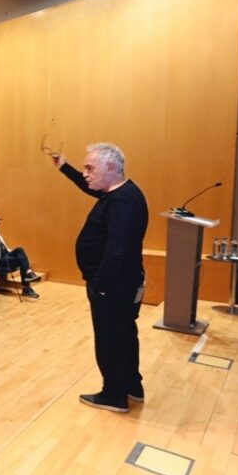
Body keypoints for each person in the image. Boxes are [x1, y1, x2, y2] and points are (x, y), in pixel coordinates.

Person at [53, 143, 148, 413]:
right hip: (121, 282)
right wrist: (65, 168)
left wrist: (101, 286)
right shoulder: (118, 193)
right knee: (125, 334)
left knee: (110, 339)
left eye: (89, 168)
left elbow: (117, 249)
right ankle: (132, 386)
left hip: (113, 285)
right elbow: (88, 187)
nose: (85, 173)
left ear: (110, 168)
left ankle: (114, 394)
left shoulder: (122, 201)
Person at [0, 217, 42, 299]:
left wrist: (12, 253)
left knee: (20, 250)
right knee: (21, 260)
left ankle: (28, 273)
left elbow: (5, 247)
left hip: (5, 255)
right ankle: (26, 287)